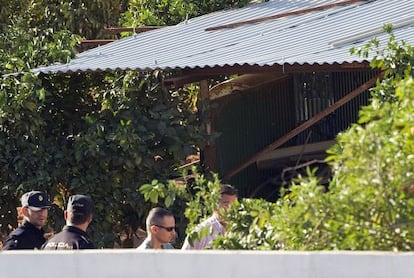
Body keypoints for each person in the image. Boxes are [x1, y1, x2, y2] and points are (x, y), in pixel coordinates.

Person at [182, 184, 237, 250]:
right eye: (226, 204)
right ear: (216, 204)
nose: (230, 208)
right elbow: (184, 257)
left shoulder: (239, 230)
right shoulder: (200, 231)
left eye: (233, 204)